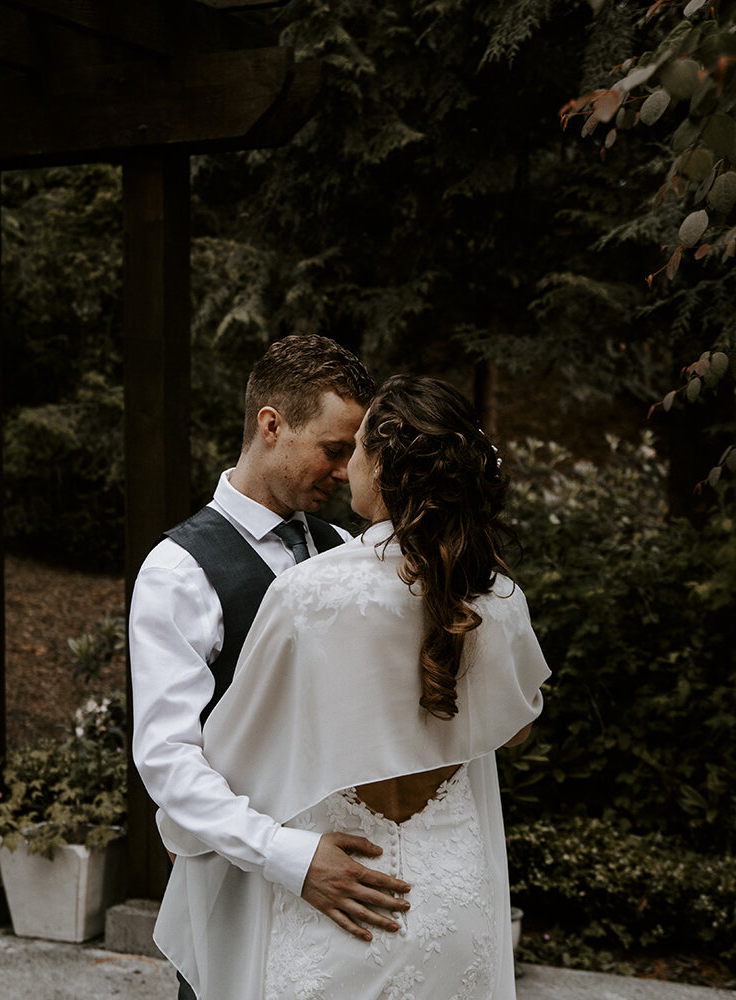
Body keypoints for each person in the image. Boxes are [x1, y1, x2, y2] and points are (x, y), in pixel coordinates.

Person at [154, 374, 552, 999]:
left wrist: (182, 833)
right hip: (451, 896)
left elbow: (230, 752)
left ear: (385, 466)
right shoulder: (497, 598)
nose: (345, 471)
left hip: (339, 901)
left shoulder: (311, 594)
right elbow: (517, 723)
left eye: (355, 448)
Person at [129, 335, 408, 1000]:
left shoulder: (346, 548)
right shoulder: (178, 570)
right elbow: (168, 759)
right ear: (272, 426)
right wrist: (290, 857)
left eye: (352, 452)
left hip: (346, 886)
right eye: (333, 449)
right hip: (242, 882)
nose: (346, 472)